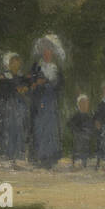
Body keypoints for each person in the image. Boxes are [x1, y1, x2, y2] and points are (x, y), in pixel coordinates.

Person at [28, 34, 65, 169]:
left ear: (52, 53)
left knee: (51, 129)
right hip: (39, 101)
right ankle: (39, 156)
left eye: (49, 51)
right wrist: (37, 83)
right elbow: (31, 81)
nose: (47, 53)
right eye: (45, 51)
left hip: (51, 102)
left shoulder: (56, 68)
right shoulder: (37, 66)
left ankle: (50, 157)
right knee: (39, 128)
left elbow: (60, 85)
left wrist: (49, 83)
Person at [0, 52, 29, 168]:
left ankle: (18, 157)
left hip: (19, 107)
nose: (15, 65)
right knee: (7, 130)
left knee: (19, 129)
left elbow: (26, 88)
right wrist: (13, 90)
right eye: (13, 63)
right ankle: (6, 156)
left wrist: (24, 89)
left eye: (17, 63)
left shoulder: (21, 77)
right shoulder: (3, 77)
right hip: (7, 108)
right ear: (7, 64)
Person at [69, 94, 95, 169]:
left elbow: (92, 126)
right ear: (79, 105)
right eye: (82, 104)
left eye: (86, 103)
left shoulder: (89, 116)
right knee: (78, 145)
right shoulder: (77, 115)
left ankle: (84, 162)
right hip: (78, 136)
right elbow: (70, 124)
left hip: (86, 136)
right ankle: (75, 162)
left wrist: (90, 130)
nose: (84, 105)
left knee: (86, 147)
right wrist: (77, 130)